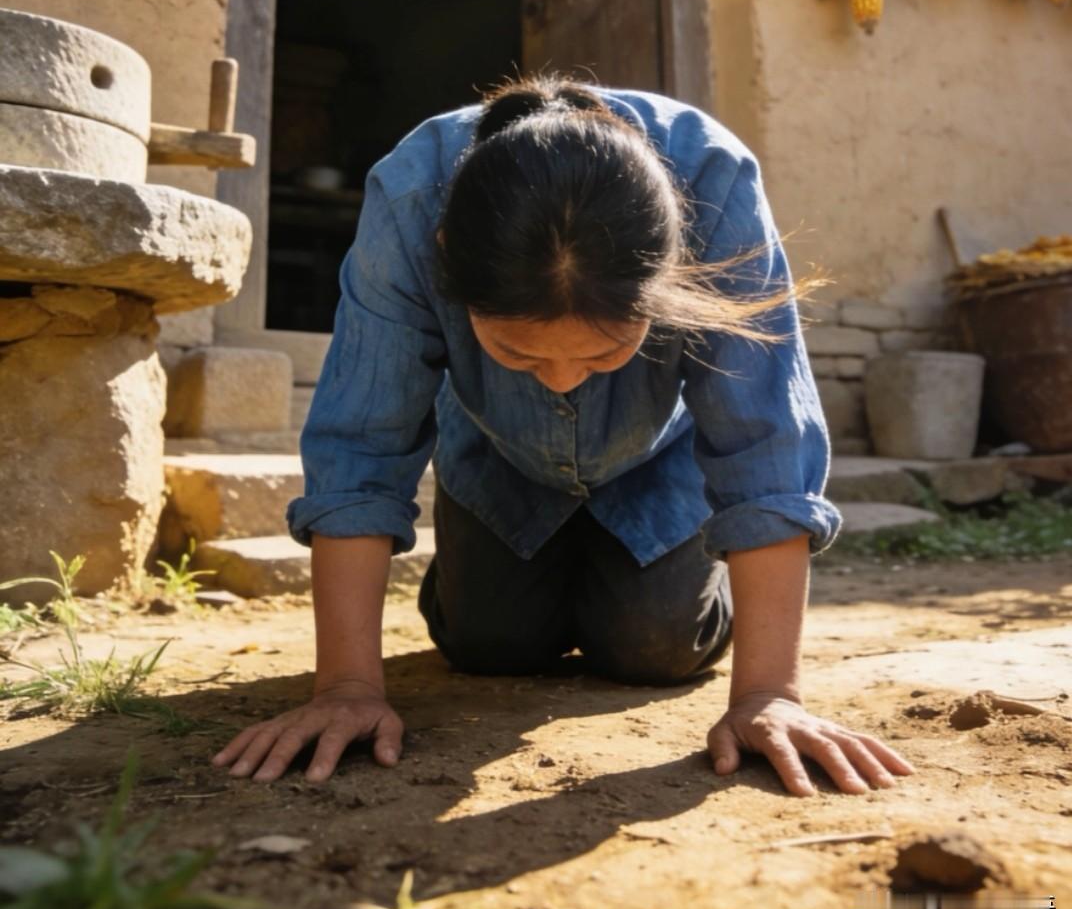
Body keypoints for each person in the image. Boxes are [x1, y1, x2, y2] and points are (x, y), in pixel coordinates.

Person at [212, 72, 916, 797]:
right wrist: (347, 687)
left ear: (668, 275)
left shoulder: (716, 182)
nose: (561, 380)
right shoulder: (412, 199)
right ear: (448, 257)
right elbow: (362, 445)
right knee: (489, 647)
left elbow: (767, 443)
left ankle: (658, 581)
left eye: (605, 352)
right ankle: (488, 571)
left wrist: (769, 694)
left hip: (657, 464)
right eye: (518, 352)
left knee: (655, 649)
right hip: (494, 453)